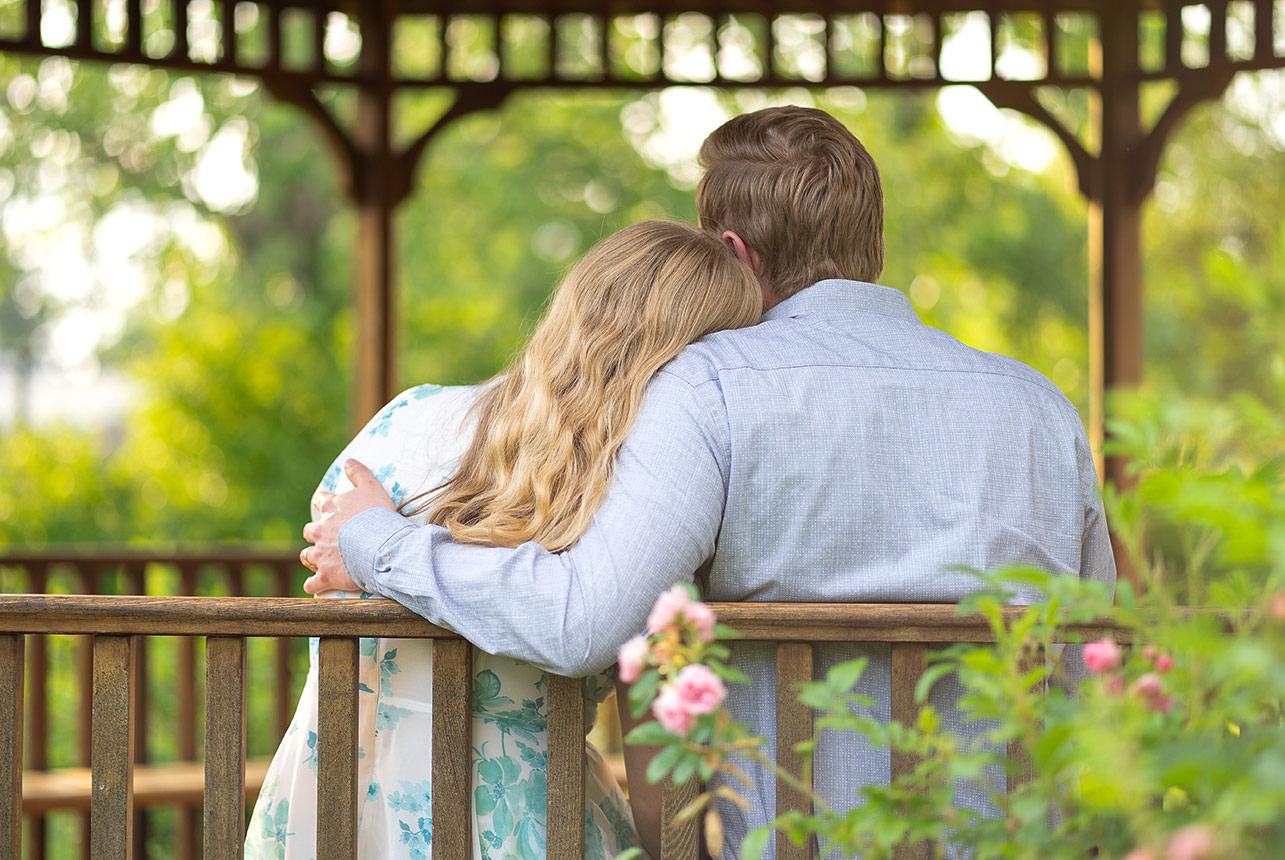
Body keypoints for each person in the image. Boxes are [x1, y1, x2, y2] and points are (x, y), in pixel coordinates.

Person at [301, 106, 1116, 857]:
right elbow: (1091, 665)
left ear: (728, 251)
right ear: (870, 242)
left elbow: (583, 620)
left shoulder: (707, 389)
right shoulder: (1038, 404)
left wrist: (378, 543)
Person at [245, 220, 763, 860]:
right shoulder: (637, 496)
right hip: (517, 820)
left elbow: (334, 565)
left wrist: (377, 552)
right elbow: (657, 756)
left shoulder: (402, 418)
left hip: (326, 808)